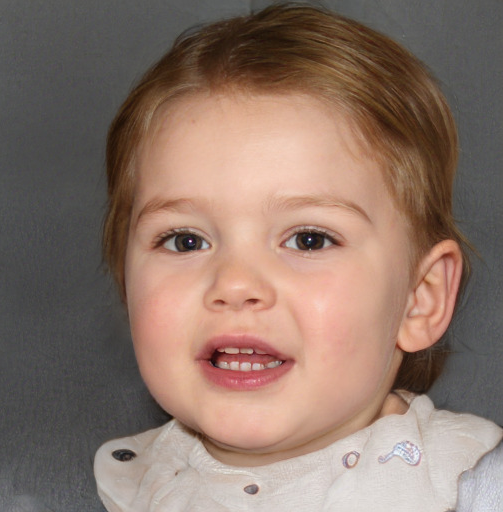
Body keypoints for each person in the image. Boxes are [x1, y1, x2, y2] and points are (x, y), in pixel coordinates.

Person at [93, 4, 502, 510]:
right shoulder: (140, 489)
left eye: (309, 240)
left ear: (419, 299)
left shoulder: (476, 485)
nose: (236, 283)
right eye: (185, 241)